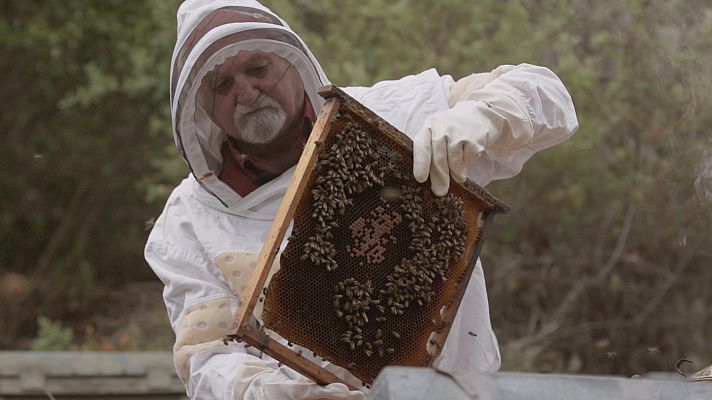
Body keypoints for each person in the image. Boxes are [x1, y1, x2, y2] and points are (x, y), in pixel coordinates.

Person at [144, 1, 579, 399]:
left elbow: (547, 94)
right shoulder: (187, 222)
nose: (247, 91)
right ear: (204, 107)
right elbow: (207, 356)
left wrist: (482, 115)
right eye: (223, 84)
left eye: (259, 67)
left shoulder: (395, 114)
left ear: (294, 64)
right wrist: (275, 394)